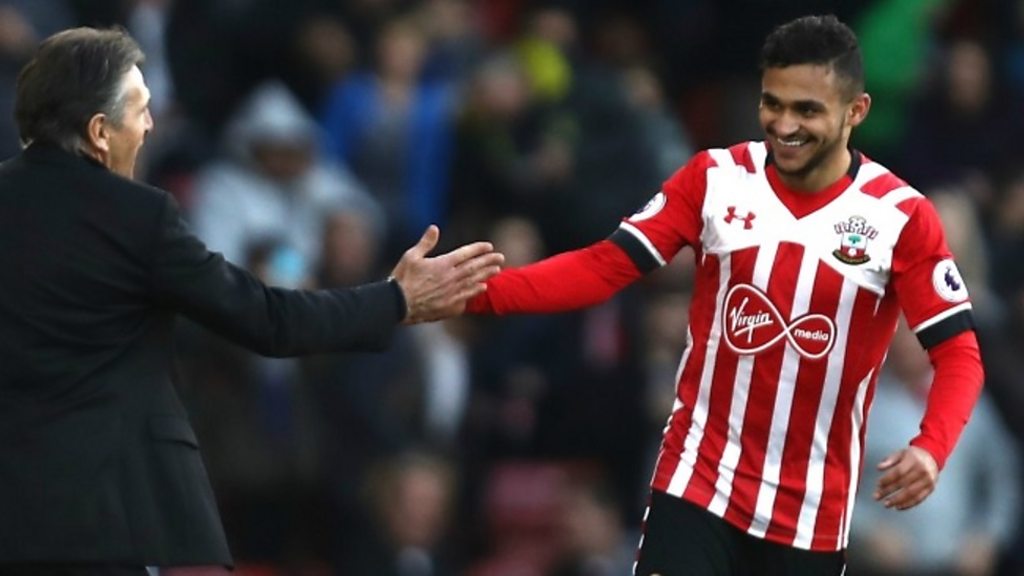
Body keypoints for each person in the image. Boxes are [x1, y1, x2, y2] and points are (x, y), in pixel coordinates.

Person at [466, 14, 984, 576]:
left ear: (855, 111)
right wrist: (475, 294)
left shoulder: (901, 217)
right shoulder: (716, 177)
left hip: (811, 512)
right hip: (699, 481)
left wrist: (931, 447)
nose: (784, 125)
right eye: (773, 103)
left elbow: (959, 354)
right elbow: (603, 267)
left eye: (807, 110)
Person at [0, 27, 502, 575]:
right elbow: (268, 320)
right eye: (141, 110)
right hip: (109, 511)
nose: (149, 125)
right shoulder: (137, 219)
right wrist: (396, 300)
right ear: (100, 131)